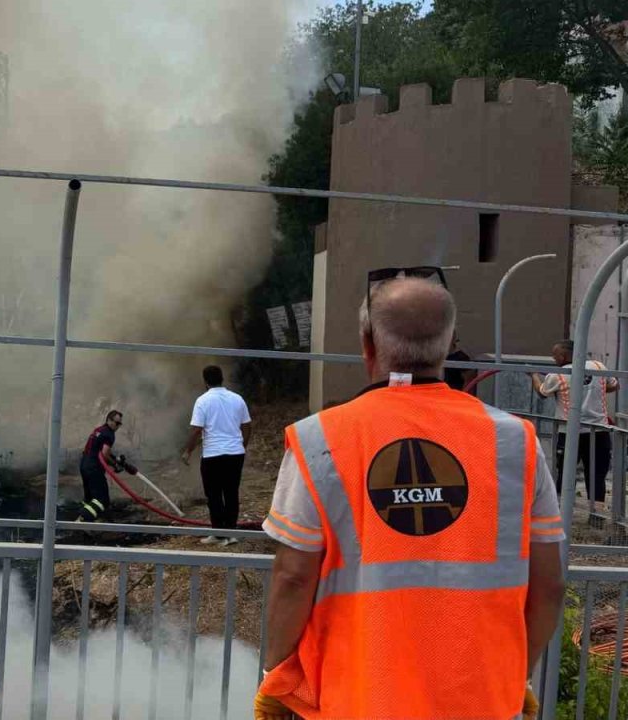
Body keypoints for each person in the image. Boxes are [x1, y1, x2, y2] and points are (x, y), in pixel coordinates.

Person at [254, 272, 565, 720]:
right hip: (482, 705)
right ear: (449, 343)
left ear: (367, 344)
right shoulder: (516, 442)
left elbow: (293, 578)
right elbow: (550, 585)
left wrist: (277, 677)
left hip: (358, 703)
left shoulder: (320, 439)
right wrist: (515, 677)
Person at [531, 339, 619, 515]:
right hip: (598, 432)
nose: (554, 359)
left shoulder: (558, 375)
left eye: (555, 356)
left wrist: (533, 375)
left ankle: (562, 515)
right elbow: (614, 385)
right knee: (596, 476)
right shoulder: (598, 366)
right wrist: (594, 391)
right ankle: (597, 517)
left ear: (564, 356)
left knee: (565, 475)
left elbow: (542, 392)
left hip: (570, 433)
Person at [181, 365, 251, 546]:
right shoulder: (237, 399)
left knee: (214, 495)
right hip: (235, 454)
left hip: (213, 455)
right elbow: (247, 426)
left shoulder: (202, 401)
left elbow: (197, 430)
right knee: (231, 493)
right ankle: (230, 533)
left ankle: (219, 534)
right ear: (222, 378)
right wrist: (241, 446)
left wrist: (188, 451)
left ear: (205, 381)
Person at [77, 410, 122, 522]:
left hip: (84, 464)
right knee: (102, 500)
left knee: (90, 498)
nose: (118, 426)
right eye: (116, 423)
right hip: (94, 468)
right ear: (109, 420)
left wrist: (115, 458)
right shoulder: (109, 434)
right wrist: (115, 464)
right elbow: (104, 454)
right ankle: (83, 520)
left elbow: (98, 449)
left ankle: (86, 522)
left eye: (119, 424)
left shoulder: (99, 430)